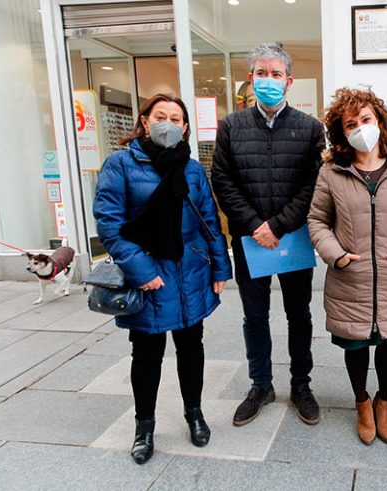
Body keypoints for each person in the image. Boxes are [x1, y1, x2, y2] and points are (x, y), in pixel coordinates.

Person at [93, 93, 232, 465]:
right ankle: (145, 426)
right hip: (149, 275)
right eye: (160, 116)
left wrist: (220, 267)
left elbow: (209, 221)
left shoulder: (191, 169)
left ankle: (194, 413)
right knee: (147, 354)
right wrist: (142, 271)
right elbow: (109, 224)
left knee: (191, 347)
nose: (167, 123)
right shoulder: (120, 164)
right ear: (144, 121)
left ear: (185, 127)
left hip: (189, 273)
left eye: (175, 118)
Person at [211, 43, 325, 427]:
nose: (269, 81)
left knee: (299, 315)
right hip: (248, 241)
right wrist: (255, 225)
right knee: (254, 316)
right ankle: (260, 384)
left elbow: (314, 183)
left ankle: (302, 385)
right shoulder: (230, 126)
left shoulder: (310, 129)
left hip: (292, 238)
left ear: (289, 81)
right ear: (251, 78)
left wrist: (277, 225)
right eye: (262, 73)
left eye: (276, 74)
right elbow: (222, 180)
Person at [307, 88, 387, 445]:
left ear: (380, 121)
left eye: (366, 119)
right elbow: (316, 220)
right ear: (342, 131)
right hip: (350, 279)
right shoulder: (332, 172)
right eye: (351, 123)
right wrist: (337, 255)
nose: (360, 128)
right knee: (355, 347)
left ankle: (384, 403)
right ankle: (362, 403)